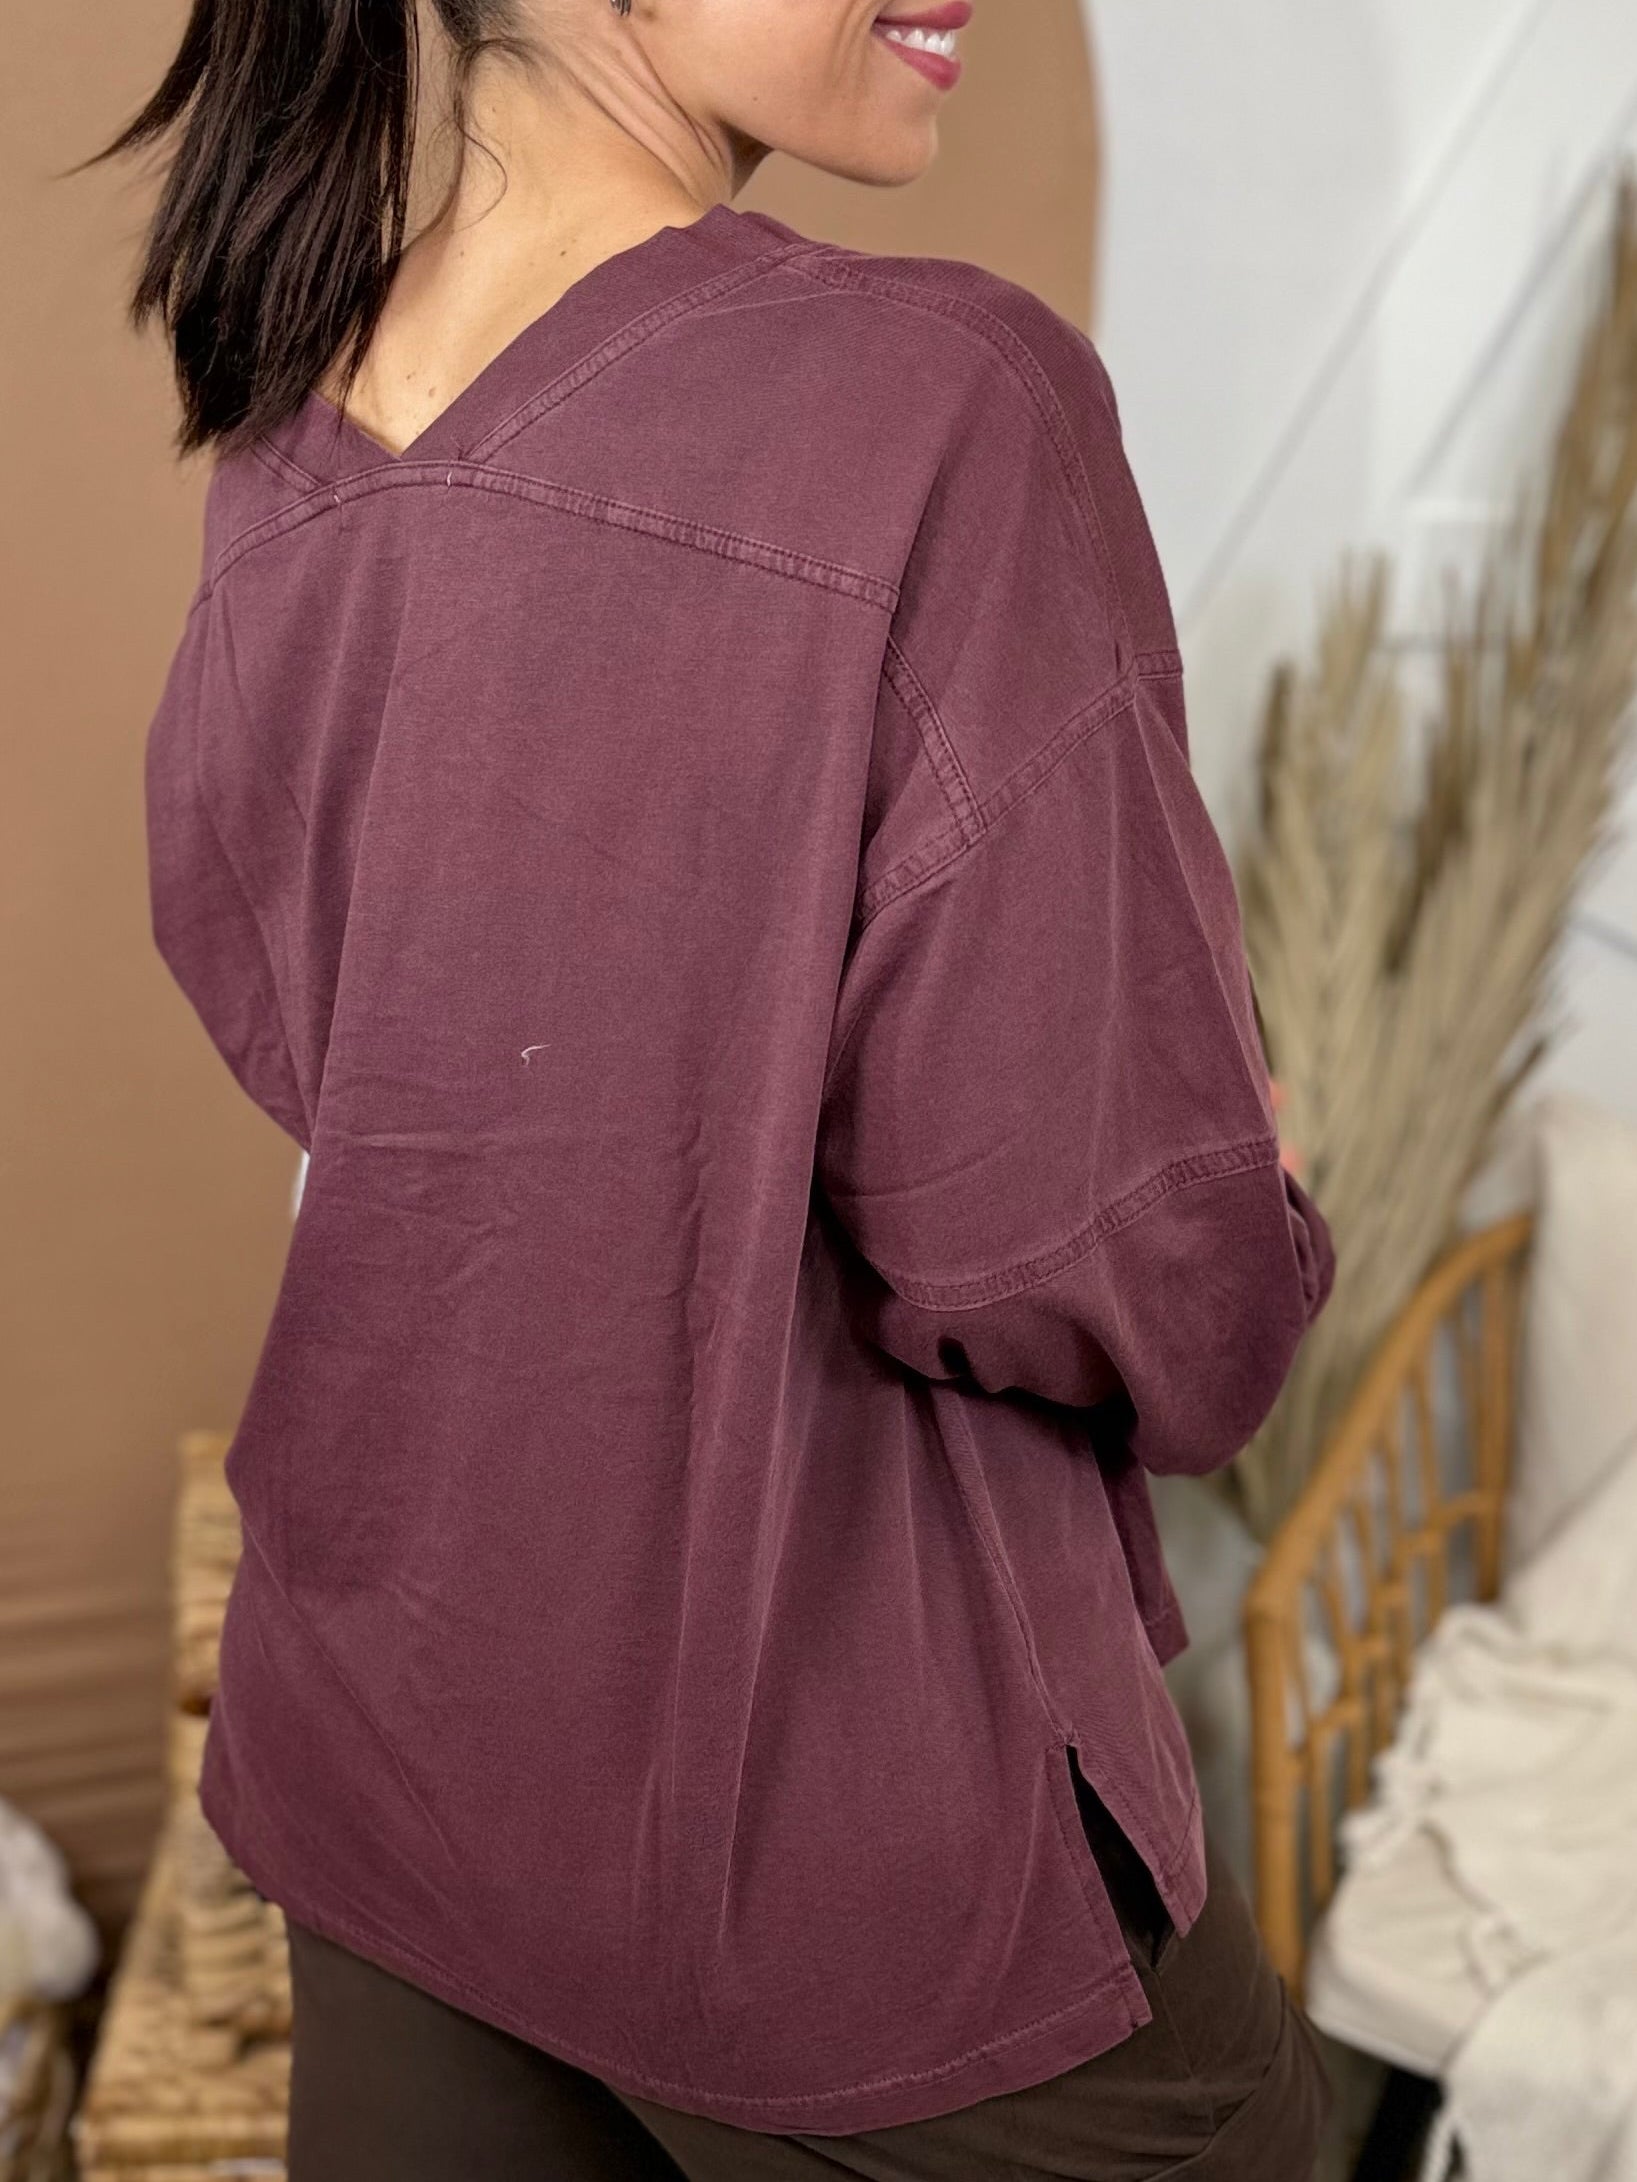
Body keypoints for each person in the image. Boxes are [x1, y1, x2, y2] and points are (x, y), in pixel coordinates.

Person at [93, 1, 1339, 2174]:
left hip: (386, 1776)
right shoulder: (943, 402)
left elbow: (325, 1043)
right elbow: (1100, 1256)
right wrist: (1234, 1186)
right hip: (857, 1861)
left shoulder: (291, 429)